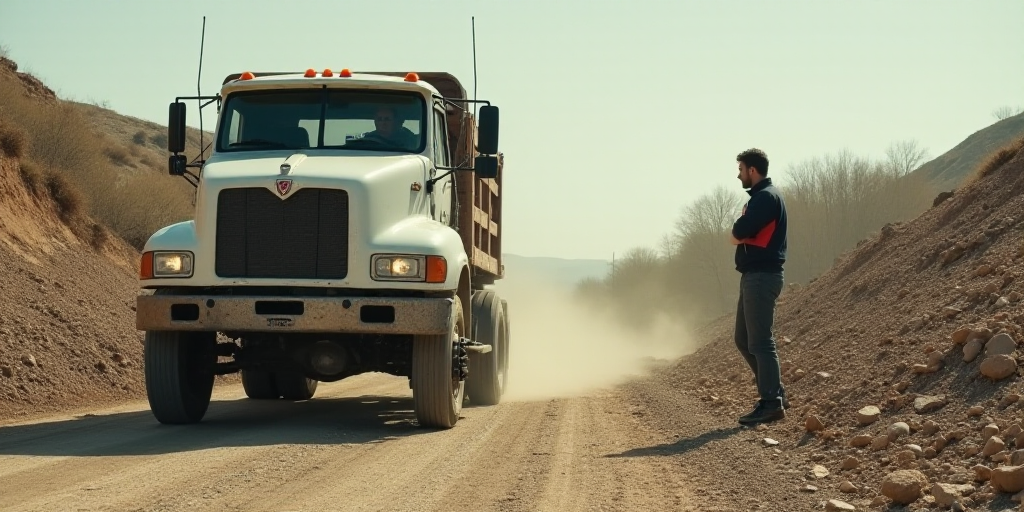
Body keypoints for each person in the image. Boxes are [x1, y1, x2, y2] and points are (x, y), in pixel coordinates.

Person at [729, 148, 788, 425]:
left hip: (762, 277)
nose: (738, 174)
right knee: (743, 340)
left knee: (761, 342)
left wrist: (738, 235)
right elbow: (740, 233)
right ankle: (775, 393)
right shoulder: (763, 197)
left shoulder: (765, 198)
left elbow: (738, 232)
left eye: (740, 169)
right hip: (754, 276)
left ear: (752, 170)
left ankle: (771, 402)